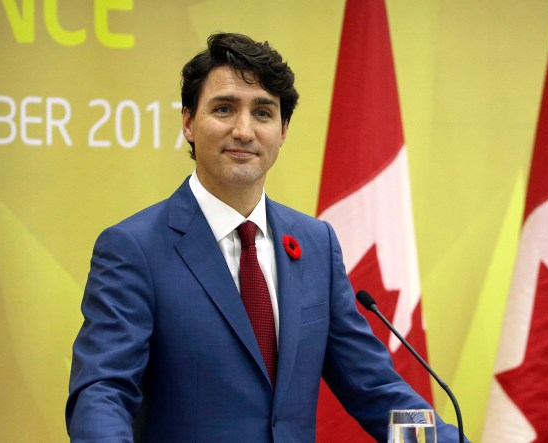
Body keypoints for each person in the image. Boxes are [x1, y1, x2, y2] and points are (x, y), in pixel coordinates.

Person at [66, 32, 468, 442]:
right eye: (224, 109)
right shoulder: (135, 248)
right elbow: (103, 392)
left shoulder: (315, 244)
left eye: (262, 113)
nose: (244, 130)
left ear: (283, 129)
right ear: (188, 122)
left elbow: (376, 390)